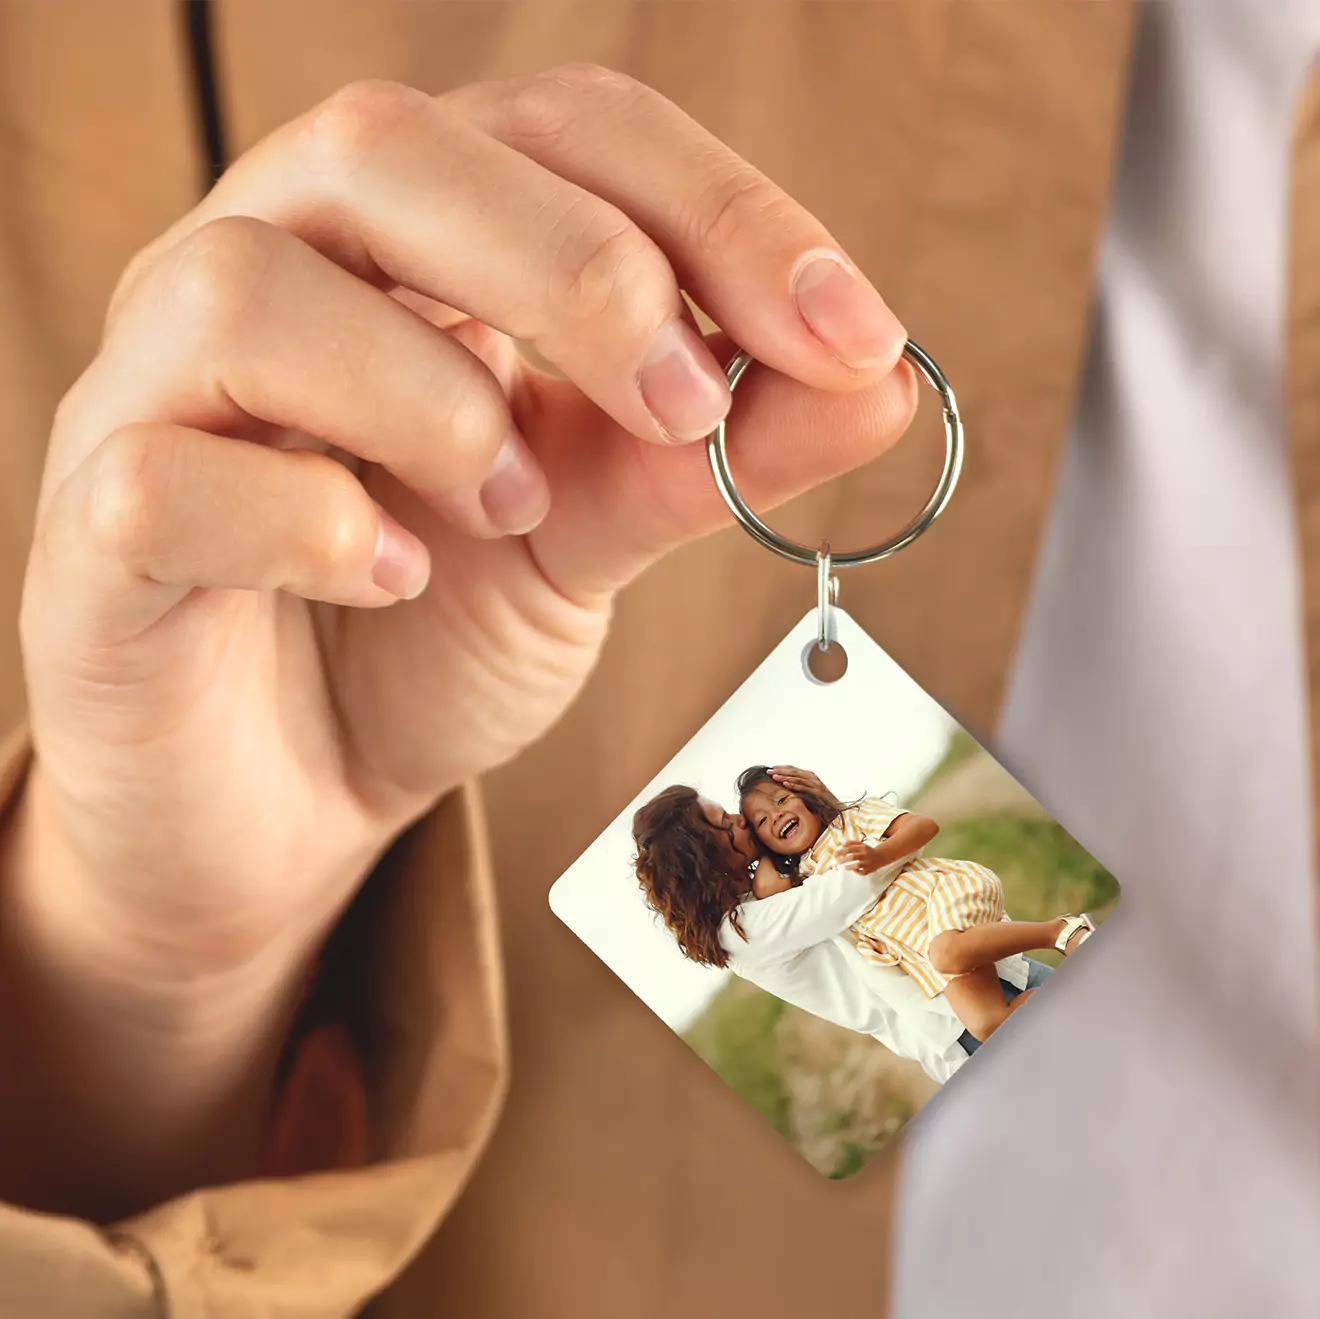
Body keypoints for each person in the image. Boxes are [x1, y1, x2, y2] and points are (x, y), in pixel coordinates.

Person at [0, 5, 1317, 1318]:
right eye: (769, 806)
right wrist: (149, 964)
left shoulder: (792, 893)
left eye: (770, 804)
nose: (779, 810)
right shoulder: (765, 919)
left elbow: (884, 851)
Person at [629, 777, 1047, 1080]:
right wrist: (826, 802)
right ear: (703, 852)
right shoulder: (741, 932)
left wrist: (821, 805)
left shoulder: (766, 889)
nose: (741, 819)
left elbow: (861, 851)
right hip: (955, 1023)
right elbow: (863, 876)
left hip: (995, 971)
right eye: (725, 822)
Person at [737, 766, 1093, 1042]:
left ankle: (1060, 930)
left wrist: (878, 855)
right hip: (925, 952)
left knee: (948, 952)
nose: (778, 815)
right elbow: (766, 887)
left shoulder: (852, 819)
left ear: (805, 796)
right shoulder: (803, 878)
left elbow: (923, 826)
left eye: (782, 800)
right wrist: (758, 849)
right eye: (763, 821)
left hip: (944, 895)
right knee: (988, 1024)